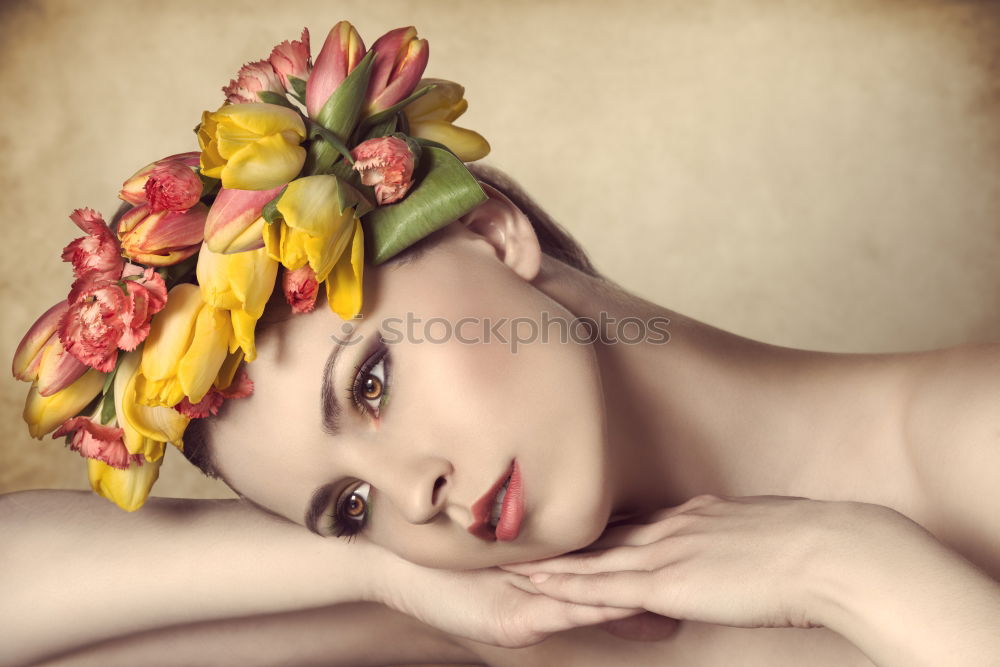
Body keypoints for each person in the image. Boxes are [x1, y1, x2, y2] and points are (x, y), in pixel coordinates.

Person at [3, 19, 1000, 667]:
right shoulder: (528, 616)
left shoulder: (972, 440)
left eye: (375, 384)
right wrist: (381, 569)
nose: (411, 497)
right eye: (346, 507)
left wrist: (851, 565)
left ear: (489, 232)